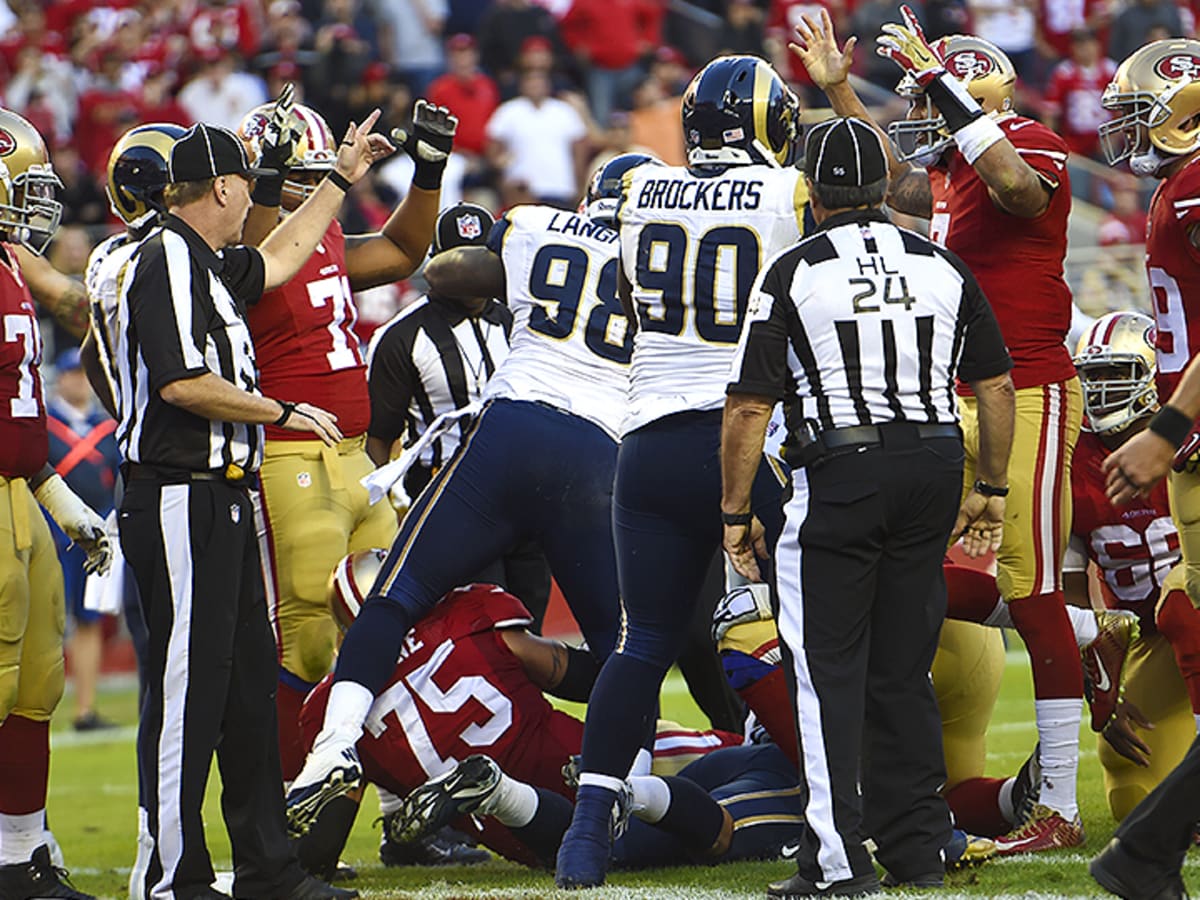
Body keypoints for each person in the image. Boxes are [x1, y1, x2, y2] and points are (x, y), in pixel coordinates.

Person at [285, 153, 658, 837]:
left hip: (508, 430)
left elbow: (446, 271)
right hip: (597, 453)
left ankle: (333, 746)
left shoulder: (540, 225)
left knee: (394, 596)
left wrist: (518, 265)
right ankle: (622, 786)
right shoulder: (665, 256)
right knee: (624, 644)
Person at [792, 8, 1087, 852]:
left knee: (1032, 589)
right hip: (942, 396)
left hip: (1026, 390)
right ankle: (1096, 636)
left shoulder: (1026, 140)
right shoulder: (952, 165)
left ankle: (1060, 806)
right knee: (911, 568)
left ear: (976, 97)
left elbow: (1020, 188)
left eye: (936, 98)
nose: (922, 119)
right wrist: (840, 89)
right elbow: (879, 173)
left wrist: (950, 93)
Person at [721, 116, 1015, 896]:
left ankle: (838, 860)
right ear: (885, 189)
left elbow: (750, 407)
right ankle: (919, 847)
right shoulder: (940, 264)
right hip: (931, 463)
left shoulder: (792, 271)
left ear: (811, 192)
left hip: (842, 470)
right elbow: (995, 385)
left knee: (824, 674)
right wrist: (989, 487)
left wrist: (734, 509)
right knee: (901, 668)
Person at [110, 117, 386, 900]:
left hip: (220, 496)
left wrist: (340, 177)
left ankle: (270, 869)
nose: (257, 202)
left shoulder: (201, 258)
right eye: (250, 188)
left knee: (246, 692)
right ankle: (166, 878)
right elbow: (181, 383)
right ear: (226, 187)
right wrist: (281, 410)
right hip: (176, 495)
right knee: (187, 694)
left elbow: (280, 257)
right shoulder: (163, 255)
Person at [555, 55, 807, 889]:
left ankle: (586, 834)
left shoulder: (635, 191)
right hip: (748, 440)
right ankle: (865, 805)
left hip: (651, 440)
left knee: (642, 643)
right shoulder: (787, 192)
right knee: (823, 625)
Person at [235, 90, 459, 785]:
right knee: (305, 638)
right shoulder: (238, 250)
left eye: (314, 175)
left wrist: (427, 171)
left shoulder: (325, 233)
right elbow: (256, 259)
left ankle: (401, 806)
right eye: (290, 176)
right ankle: (287, 819)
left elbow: (399, 251)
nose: (313, 190)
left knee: (394, 627)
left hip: (356, 461)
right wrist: (293, 186)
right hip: (290, 458)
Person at [295, 552, 768, 876]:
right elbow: (578, 678)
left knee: (591, 844)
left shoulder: (333, 709)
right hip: (581, 757)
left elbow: (322, 844)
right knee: (749, 767)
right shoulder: (466, 617)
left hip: (522, 836)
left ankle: (498, 795)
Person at [0, 107, 110, 900]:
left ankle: (20, 854)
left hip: (21, 499)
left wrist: (57, 494)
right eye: (22, 187)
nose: (34, 205)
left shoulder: (11, 267)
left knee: (34, 683)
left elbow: (21, 411)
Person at [365, 203, 552, 628]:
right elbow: (380, 438)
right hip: (452, 497)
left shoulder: (523, 320)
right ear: (436, 266)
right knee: (481, 624)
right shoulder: (400, 336)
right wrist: (391, 509)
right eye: (460, 264)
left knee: (530, 622)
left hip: (527, 495)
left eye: (480, 263)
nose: (472, 275)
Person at [1068, 311, 1200, 822]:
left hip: (1190, 609)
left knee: (1183, 601)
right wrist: (1102, 693)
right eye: (1092, 379)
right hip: (1150, 640)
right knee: (1133, 795)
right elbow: (1071, 597)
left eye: (1116, 377)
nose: (1100, 393)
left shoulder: (1185, 438)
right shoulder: (1075, 460)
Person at [45, 347, 120, 731]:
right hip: (52, 537)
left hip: (96, 537)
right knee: (39, 621)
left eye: (83, 374)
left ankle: (84, 709)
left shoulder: (107, 428)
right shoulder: (43, 425)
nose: (78, 381)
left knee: (89, 620)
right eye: (71, 374)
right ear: (59, 377)